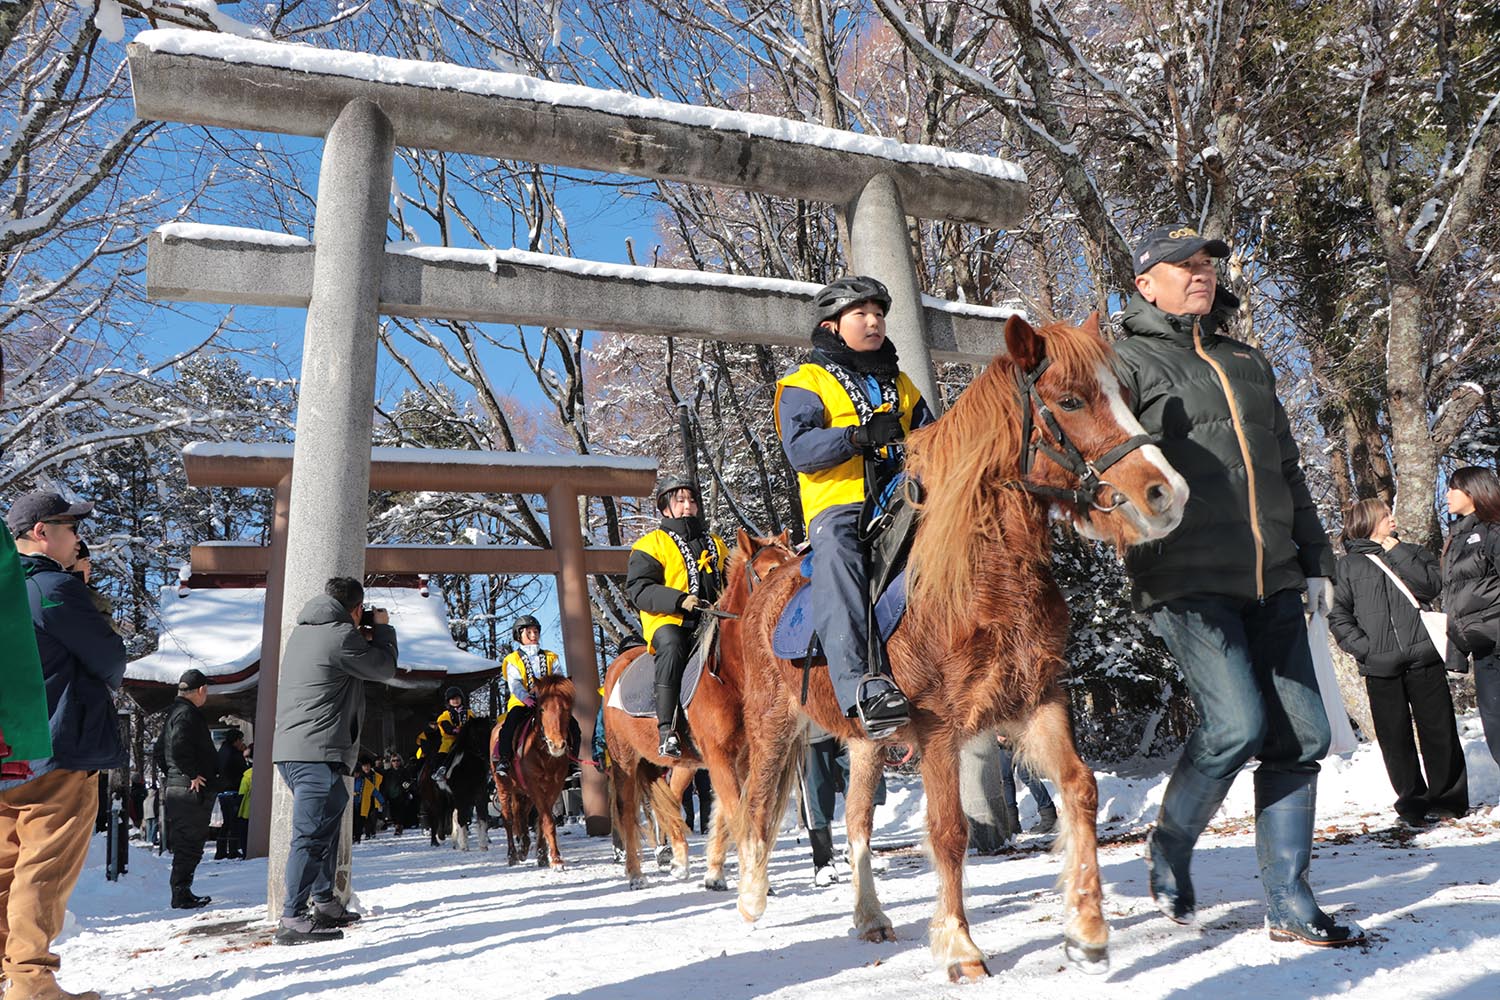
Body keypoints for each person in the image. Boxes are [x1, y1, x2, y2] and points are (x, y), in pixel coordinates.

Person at [1115, 224, 1363, 946]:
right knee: (1236, 726)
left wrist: (1315, 558)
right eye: (1183, 265)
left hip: (1273, 574)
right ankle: (1170, 842)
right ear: (1145, 283)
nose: (1201, 273)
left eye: (1206, 264)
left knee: (1304, 735)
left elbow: (1286, 468)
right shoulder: (1124, 363)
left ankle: (1289, 899)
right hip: (1186, 576)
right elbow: (1101, 458)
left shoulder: (1248, 362)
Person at [774, 276, 935, 739]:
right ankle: (862, 685)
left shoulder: (901, 383)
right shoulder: (803, 381)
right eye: (861, 314)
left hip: (904, 497)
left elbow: (933, 437)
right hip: (840, 508)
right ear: (831, 325)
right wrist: (856, 437)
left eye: (879, 314)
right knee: (840, 558)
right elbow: (800, 449)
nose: (874, 322)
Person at [1, 489, 126, 1000]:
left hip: (9, 748)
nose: (78, 539)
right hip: (58, 745)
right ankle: (31, 982)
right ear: (41, 532)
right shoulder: (51, 586)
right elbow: (110, 659)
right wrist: (83, 594)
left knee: (5, 868)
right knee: (44, 867)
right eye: (71, 528)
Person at [272, 577, 397, 946]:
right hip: (314, 752)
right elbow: (383, 668)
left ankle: (324, 902)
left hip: (299, 750)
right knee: (310, 836)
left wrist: (361, 634)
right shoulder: (340, 636)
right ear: (356, 610)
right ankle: (292, 918)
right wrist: (383, 630)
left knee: (327, 823)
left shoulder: (306, 631)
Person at [1328, 499, 1468, 825]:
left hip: (1424, 657)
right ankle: (1412, 805)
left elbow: (1432, 586)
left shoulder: (1412, 552)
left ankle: (1449, 802)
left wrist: (1398, 552)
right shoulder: (1347, 566)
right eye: (1385, 516)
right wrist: (1364, 648)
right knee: (1395, 740)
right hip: (1380, 666)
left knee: (1440, 732)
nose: (1392, 519)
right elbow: (1338, 614)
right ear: (1367, 522)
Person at [626, 480, 728, 758]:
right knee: (672, 645)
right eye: (680, 501)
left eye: (692, 501)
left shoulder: (716, 543)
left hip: (713, 618)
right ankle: (667, 729)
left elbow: (733, 579)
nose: (687, 506)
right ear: (665, 508)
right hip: (669, 619)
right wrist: (680, 600)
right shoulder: (650, 544)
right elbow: (639, 589)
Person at [1441, 466, 1500, 766]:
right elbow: (1455, 599)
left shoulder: (1494, 530)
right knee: (1495, 730)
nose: (1447, 494)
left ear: (1474, 491)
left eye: (1453, 488)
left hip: (1497, 640)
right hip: (1483, 647)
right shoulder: (1458, 537)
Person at [800, 725, 887, 887]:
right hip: (812, 729)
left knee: (868, 784)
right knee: (815, 790)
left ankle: (860, 849)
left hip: (852, 724)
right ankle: (823, 861)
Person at [161, 669, 220, 908]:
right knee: (190, 843)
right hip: (189, 789)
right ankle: (181, 893)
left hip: (177, 786)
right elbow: (179, 746)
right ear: (202, 689)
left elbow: (160, 752)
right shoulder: (187, 714)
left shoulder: (173, 712)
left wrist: (174, 774)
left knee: (186, 841)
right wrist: (190, 774)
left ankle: (182, 891)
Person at [492, 615, 566, 778]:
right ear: (519, 636)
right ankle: (504, 758)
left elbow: (558, 678)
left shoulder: (551, 656)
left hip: (548, 702)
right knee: (510, 724)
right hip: (522, 702)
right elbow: (514, 682)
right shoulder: (512, 659)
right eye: (529, 632)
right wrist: (525, 697)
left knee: (571, 723)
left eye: (536, 632)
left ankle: (571, 759)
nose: (533, 636)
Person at [214, 728, 248, 859]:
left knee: (226, 822)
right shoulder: (235, 754)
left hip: (222, 790)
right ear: (236, 740)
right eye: (241, 740)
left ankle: (220, 850)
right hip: (233, 788)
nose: (242, 742)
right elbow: (243, 770)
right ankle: (233, 850)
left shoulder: (222, 751)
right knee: (234, 822)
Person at [430, 686, 468, 791]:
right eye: (452, 699)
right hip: (450, 740)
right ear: (448, 701)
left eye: (457, 698)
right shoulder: (445, 715)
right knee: (444, 753)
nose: (455, 701)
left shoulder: (469, 713)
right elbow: (446, 727)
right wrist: (455, 730)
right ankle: (441, 769)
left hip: (467, 740)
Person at [352, 755, 385, 843]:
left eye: (357, 772)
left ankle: (359, 837)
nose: (356, 774)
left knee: (362, 821)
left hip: (363, 804)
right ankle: (354, 836)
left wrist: (382, 801)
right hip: (352, 805)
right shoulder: (350, 781)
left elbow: (375, 791)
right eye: (355, 773)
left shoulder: (365, 781)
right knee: (353, 821)